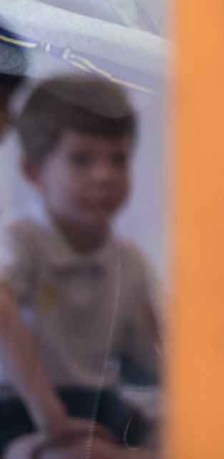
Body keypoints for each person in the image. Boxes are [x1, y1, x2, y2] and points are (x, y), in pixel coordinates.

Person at [0, 77, 159, 456]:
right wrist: (52, 422)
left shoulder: (128, 261)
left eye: (117, 159)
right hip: (22, 405)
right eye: (81, 159)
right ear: (34, 172)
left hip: (98, 404)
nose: (104, 176)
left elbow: (156, 352)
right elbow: (5, 324)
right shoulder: (19, 242)